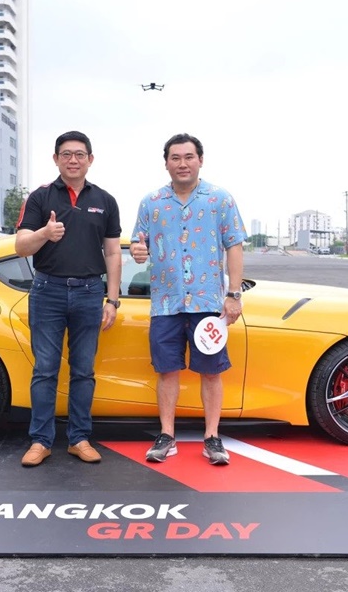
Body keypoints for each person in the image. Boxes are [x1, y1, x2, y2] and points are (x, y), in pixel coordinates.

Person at [129, 133, 247, 466]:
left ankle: (212, 437)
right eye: (175, 158)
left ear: (200, 160)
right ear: (166, 163)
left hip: (208, 304)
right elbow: (139, 245)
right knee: (167, 371)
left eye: (189, 157)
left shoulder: (220, 199)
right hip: (165, 303)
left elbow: (234, 245)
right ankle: (167, 435)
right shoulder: (151, 203)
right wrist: (138, 251)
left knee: (211, 371)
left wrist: (233, 294)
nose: (182, 163)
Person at [15, 131, 122, 467]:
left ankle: (79, 438)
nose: (73, 160)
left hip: (90, 293)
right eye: (66, 154)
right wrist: (45, 233)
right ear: (56, 159)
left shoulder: (105, 200)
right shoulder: (40, 197)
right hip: (48, 291)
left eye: (79, 154)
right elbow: (21, 246)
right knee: (45, 369)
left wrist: (112, 300)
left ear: (90, 159)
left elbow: (113, 253)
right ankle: (40, 441)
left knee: (83, 370)